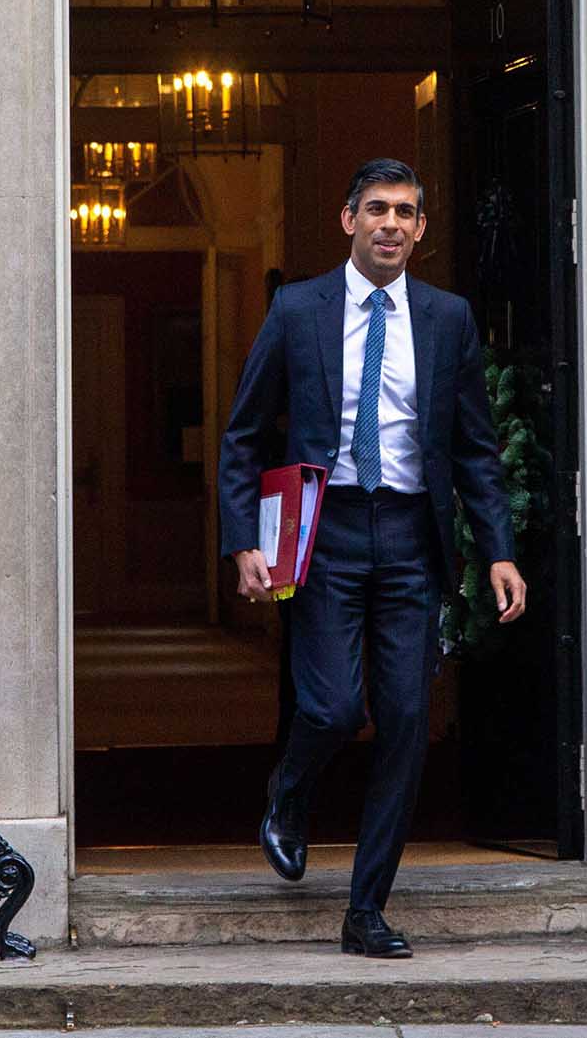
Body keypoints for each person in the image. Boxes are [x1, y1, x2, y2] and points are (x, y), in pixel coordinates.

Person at [217, 157, 529, 959]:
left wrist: (496, 550)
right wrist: (244, 538)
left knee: (404, 723)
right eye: (377, 209)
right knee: (328, 706)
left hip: (410, 537)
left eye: (406, 212)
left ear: (422, 229)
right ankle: (287, 794)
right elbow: (246, 432)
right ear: (347, 219)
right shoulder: (297, 310)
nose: (392, 223)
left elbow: (475, 450)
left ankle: (366, 909)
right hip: (323, 531)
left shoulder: (447, 317)